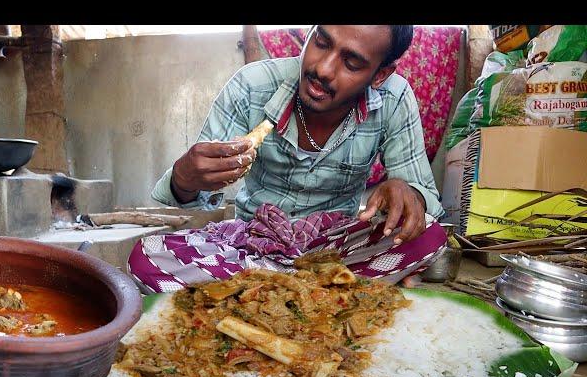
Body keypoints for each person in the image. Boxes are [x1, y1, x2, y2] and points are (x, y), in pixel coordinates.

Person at [130, 25, 447, 292]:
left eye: (351, 63)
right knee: (148, 256)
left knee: (430, 235)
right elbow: (191, 199)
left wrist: (410, 193)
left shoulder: (394, 98)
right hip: (248, 247)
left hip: (335, 250)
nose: (323, 68)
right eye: (321, 42)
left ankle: (258, 294)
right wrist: (185, 178)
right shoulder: (252, 86)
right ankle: (325, 294)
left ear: (380, 75)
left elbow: (427, 203)